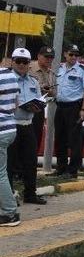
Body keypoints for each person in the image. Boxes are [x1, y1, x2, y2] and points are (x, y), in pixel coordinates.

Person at [7, 48, 46, 205]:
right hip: (10, 124)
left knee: (30, 161)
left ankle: (30, 193)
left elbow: (39, 100)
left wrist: (38, 106)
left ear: (29, 64)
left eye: (25, 62)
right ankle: (8, 196)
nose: (21, 64)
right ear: (12, 62)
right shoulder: (6, 80)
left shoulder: (33, 82)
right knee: (9, 163)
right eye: (18, 61)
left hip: (28, 125)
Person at [50, 44, 84, 180]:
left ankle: (73, 170)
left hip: (74, 107)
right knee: (60, 138)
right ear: (65, 54)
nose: (74, 57)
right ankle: (61, 168)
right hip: (60, 106)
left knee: (74, 140)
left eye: (76, 55)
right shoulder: (59, 68)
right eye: (71, 54)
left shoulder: (82, 70)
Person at [0, 62, 20, 226]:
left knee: (0, 174)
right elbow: (16, 105)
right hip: (9, 128)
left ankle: (10, 213)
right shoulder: (10, 76)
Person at [29, 46, 55, 153]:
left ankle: (31, 167)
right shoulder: (28, 68)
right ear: (39, 56)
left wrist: (50, 92)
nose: (49, 60)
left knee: (36, 141)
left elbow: (54, 93)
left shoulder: (51, 73)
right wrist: (40, 88)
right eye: (46, 57)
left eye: (51, 57)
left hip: (39, 110)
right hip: (26, 108)